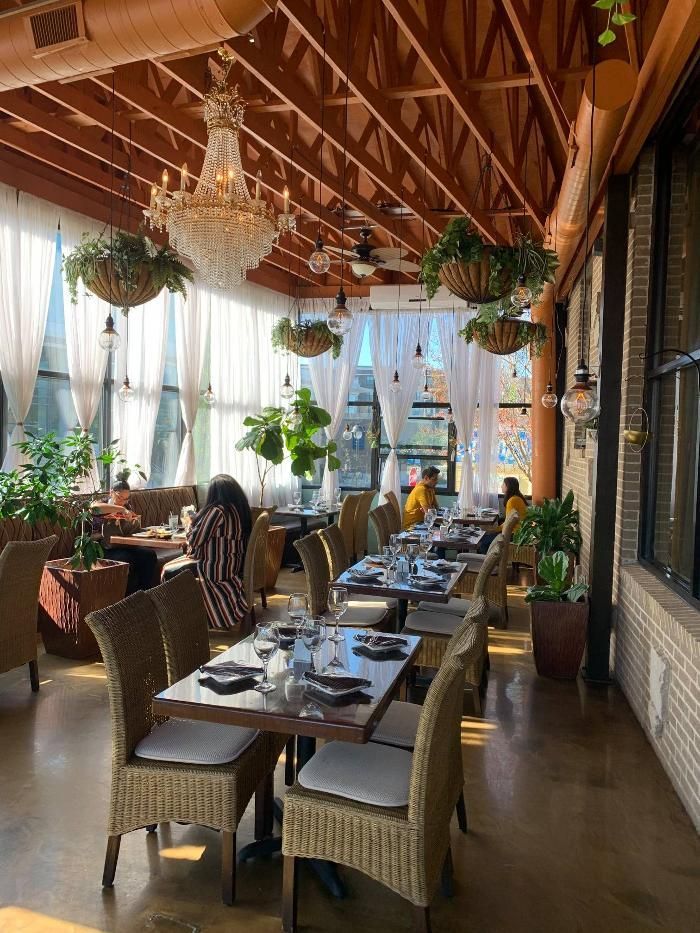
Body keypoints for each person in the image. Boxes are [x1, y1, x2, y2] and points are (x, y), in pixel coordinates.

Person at [164, 474, 251, 630]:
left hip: (214, 568)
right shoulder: (237, 511)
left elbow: (195, 540)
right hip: (231, 566)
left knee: (167, 571)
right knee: (176, 567)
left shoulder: (217, 511)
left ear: (213, 493)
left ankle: (177, 621)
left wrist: (190, 524)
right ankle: (189, 614)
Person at [97, 479, 159, 593]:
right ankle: (126, 597)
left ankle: (144, 592)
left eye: (126, 499)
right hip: (106, 548)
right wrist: (121, 509)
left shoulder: (127, 507)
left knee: (149, 555)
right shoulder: (104, 502)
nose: (122, 502)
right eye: (120, 498)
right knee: (126, 559)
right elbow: (94, 508)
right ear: (111, 492)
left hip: (125, 545)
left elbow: (131, 530)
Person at [477, 476, 528, 552]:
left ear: (508, 486)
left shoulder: (512, 501)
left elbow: (508, 523)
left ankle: (489, 562)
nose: (501, 486)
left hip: (514, 535)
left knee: (483, 541)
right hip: (520, 533)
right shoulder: (517, 498)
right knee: (486, 538)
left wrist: (493, 530)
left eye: (503, 484)